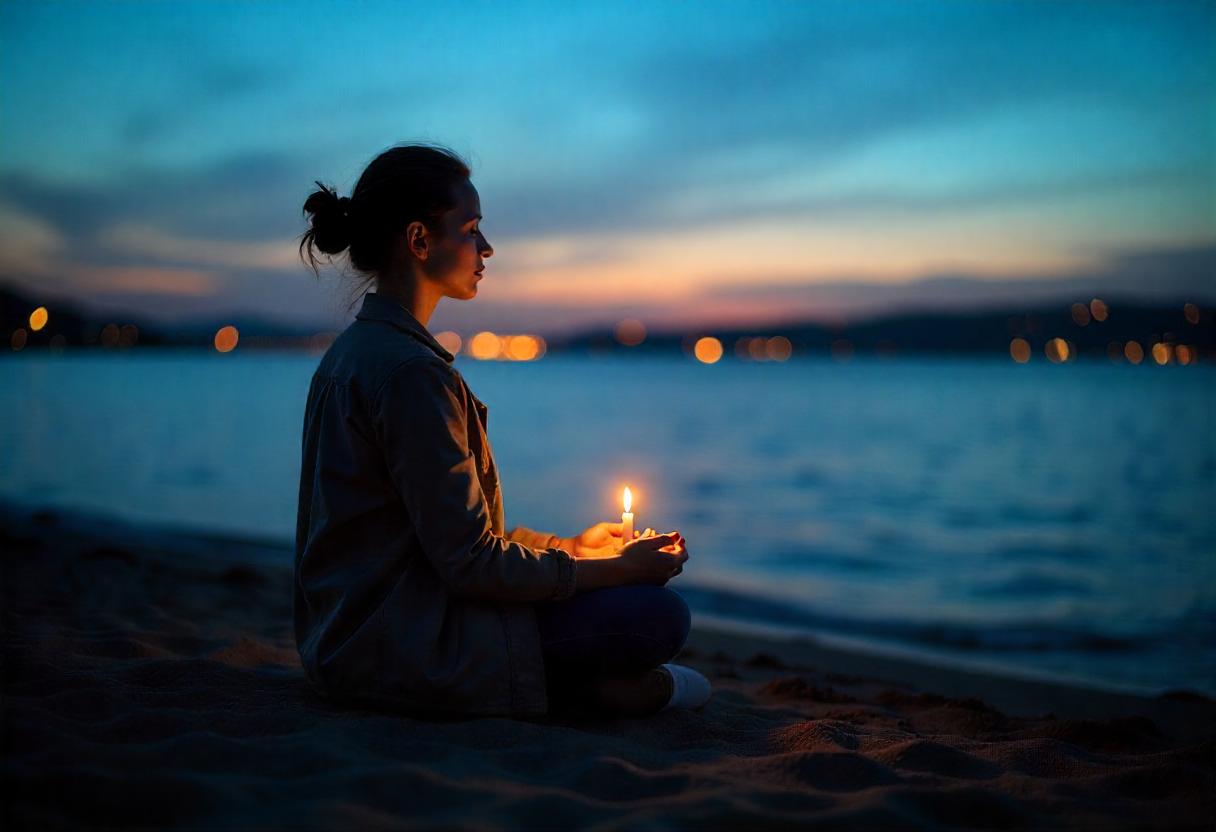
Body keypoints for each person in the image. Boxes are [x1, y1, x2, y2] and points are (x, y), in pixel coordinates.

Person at [294, 143, 712, 720]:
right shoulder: (412, 374)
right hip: (404, 649)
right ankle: (590, 694)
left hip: (347, 639)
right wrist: (620, 570)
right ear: (419, 241)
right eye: (470, 229)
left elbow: (446, 538)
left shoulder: (353, 353)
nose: (486, 248)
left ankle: (570, 685)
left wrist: (572, 549)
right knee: (657, 617)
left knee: (626, 603)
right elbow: (470, 564)